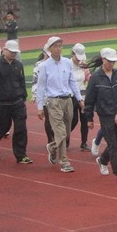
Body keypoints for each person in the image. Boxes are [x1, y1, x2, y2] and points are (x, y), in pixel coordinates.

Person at [36, 36, 84, 173]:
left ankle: (52, 146)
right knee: (60, 132)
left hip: (67, 100)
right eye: (55, 46)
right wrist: (40, 107)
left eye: (60, 46)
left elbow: (72, 81)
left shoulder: (67, 63)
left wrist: (79, 99)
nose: (58, 48)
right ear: (50, 49)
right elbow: (41, 87)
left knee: (67, 133)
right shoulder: (44, 66)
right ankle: (64, 161)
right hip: (53, 101)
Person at [85, 48, 117, 182]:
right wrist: (89, 118)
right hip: (105, 116)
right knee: (113, 144)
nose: (112, 64)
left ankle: (102, 160)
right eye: (109, 61)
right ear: (103, 60)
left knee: (115, 141)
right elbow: (89, 99)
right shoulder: (95, 78)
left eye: (113, 61)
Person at [0, 40, 31, 164]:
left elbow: (22, 82)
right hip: (3, 103)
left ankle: (21, 155)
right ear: (4, 50)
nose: (13, 54)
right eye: (11, 52)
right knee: (3, 127)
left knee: (21, 128)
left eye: (15, 52)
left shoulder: (18, 64)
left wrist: (23, 96)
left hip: (18, 102)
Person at [70, 43, 90, 151]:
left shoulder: (84, 65)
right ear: (72, 54)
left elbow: (87, 77)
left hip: (83, 94)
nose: (79, 60)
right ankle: (65, 138)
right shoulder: (67, 64)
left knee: (85, 119)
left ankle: (84, 142)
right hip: (71, 96)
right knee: (73, 120)